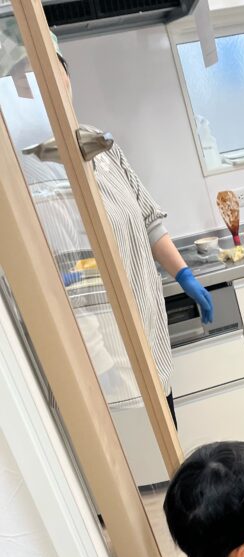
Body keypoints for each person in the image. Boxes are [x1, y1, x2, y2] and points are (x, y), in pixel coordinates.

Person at [0, 26, 213, 422]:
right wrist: (101, 364)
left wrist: (185, 275)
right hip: (105, 366)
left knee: (168, 434)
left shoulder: (95, 142)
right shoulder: (24, 169)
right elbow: (60, 276)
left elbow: (148, 219)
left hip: (149, 344)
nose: (53, 81)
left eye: (58, 68)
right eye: (32, 73)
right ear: (15, 90)